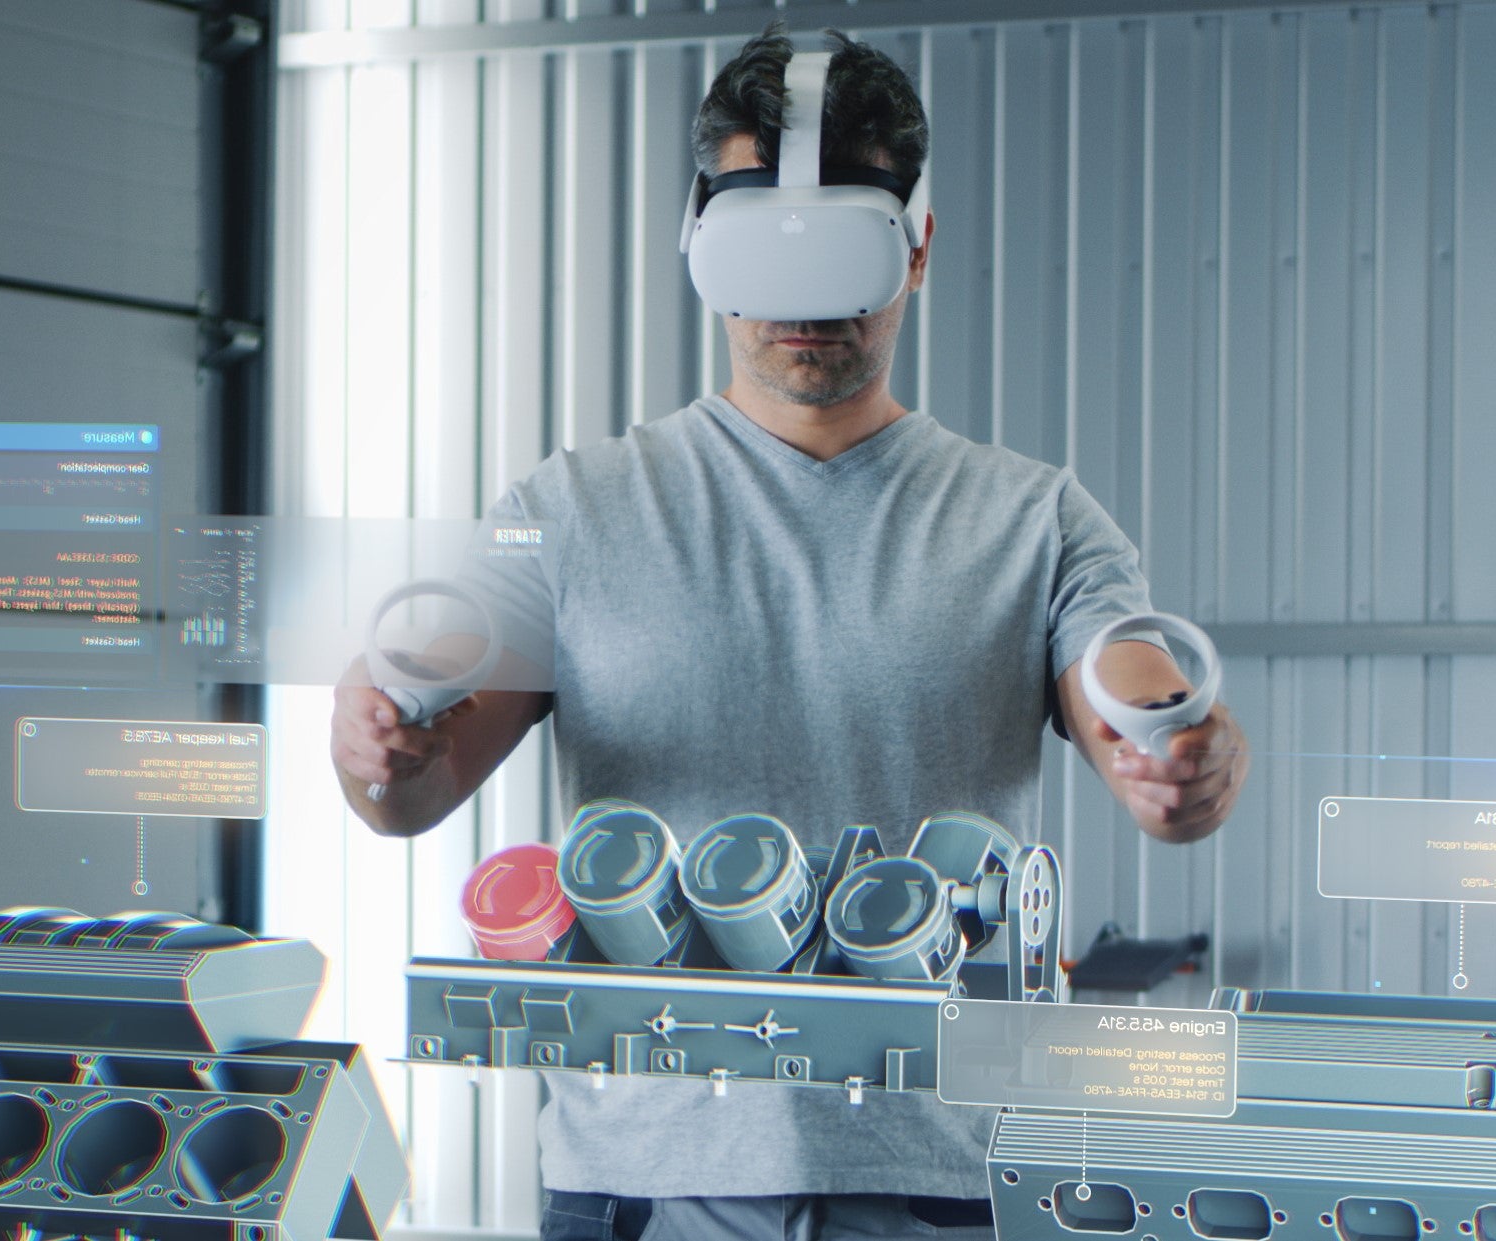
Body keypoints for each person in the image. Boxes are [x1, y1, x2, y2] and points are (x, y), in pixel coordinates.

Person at [327, 25, 1249, 1241]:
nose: (805, 310)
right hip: (642, 1179)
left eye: (845, 251)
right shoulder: (568, 508)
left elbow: (1129, 691)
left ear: (917, 247)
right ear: (699, 245)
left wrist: (1178, 749)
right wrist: (376, 750)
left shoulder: (1033, 519)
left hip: (942, 1176)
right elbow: (412, 786)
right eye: (768, 249)